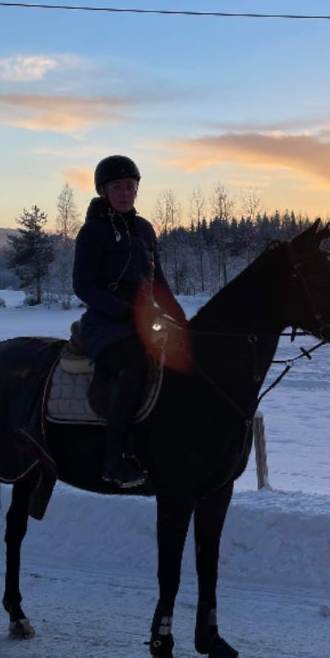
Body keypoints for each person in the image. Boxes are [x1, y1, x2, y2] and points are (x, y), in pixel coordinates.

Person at [72, 155, 190, 487]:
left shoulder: (144, 230)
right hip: (106, 324)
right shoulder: (92, 232)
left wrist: (182, 321)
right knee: (136, 366)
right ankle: (114, 459)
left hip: (146, 320)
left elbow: (160, 285)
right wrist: (127, 313)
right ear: (102, 191)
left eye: (131, 187)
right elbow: (83, 286)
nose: (125, 193)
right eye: (117, 187)